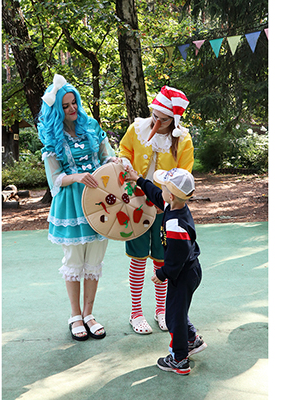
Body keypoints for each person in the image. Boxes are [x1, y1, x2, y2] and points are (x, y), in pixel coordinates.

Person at [38, 74, 118, 341]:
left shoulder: (91, 126)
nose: (72, 108)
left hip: (100, 199)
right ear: (56, 110)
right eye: (65, 106)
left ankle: (89, 314)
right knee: (74, 262)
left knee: (94, 260)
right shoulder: (52, 138)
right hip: (71, 204)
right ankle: (75, 316)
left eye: (74, 103)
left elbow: (107, 156)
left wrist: (116, 162)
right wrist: (77, 177)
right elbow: (55, 179)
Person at [117, 86, 194, 334]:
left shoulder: (183, 140)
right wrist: (125, 163)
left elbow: (184, 176)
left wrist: (168, 201)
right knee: (138, 258)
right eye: (154, 116)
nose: (156, 123)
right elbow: (124, 151)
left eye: (163, 120)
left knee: (163, 260)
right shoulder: (137, 128)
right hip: (135, 204)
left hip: (164, 208)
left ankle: (161, 310)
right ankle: (136, 312)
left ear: (174, 120)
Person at [124, 167, 207, 375]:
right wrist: (139, 180)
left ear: (170, 195)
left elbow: (178, 256)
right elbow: (155, 194)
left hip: (183, 274)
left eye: (164, 188)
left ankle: (179, 360)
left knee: (173, 317)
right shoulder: (174, 206)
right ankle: (192, 340)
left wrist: (162, 274)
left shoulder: (174, 224)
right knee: (178, 311)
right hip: (188, 271)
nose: (160, 191)